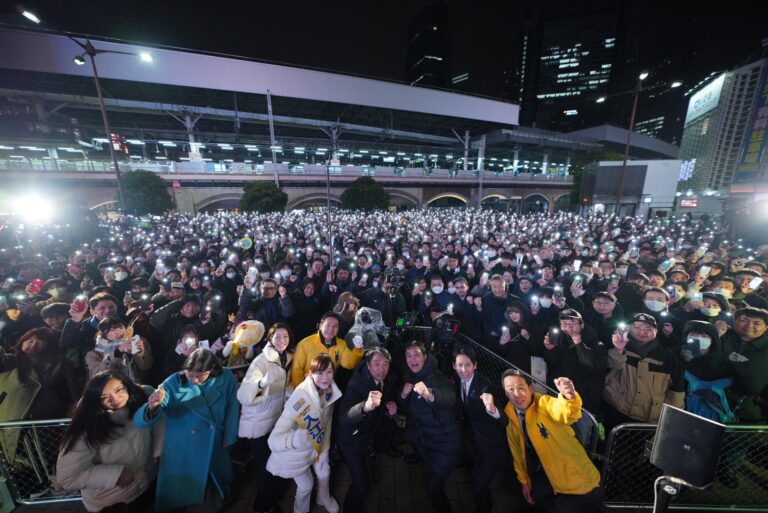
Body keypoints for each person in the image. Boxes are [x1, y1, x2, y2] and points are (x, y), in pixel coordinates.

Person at [134, 349, 240, 512]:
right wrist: (153, 405)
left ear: (211, 370)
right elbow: (142, 420)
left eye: (200, 375)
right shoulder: (173, 383)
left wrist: (229, 437)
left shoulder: (225, 377)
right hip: (185, 447)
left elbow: (232, 406)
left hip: (216, 441)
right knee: (189, 493)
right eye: (190, 375)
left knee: (216, 485)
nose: (194, 380)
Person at [56, 370, 158, 513]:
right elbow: (67, 476)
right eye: (104, 397)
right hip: (113, 502)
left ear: (126, 385)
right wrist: (114, 475)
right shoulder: (87, 426)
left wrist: (159, 450)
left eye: (118, 390)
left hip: (148, 484)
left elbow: (161, 419)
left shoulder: (142, 398)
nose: (115, 399)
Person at [502, 370, 601, 513]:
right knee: (538, 498)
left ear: (531, 388)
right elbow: (516, 450)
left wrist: (569, 398)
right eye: (510, 389)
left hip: (579, 484)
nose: (516, 394)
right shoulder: (510, 416)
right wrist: (524, 481)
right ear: (506, 393)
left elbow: (564, 412)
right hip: (546, 478)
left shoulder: (543, 403)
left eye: (521, 388)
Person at [266, 353, 342, 513]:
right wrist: (294, 440)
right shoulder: (300, 397)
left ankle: (323, 497)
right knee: (307, 484)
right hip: (293, 454)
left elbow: (326, 424)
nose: (325, 377)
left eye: (329, 372)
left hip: (316, 447)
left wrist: (324, 450)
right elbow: (273, 440)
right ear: (310, 373)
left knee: (324, 471)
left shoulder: (330, 392)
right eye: (319, 373)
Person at [397, 340, 462, 512]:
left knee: (433, 490)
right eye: (408, 355)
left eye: (417, 354)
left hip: (446, 443)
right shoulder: (410, 376)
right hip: (426, 438)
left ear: (425, 357)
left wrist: (430, 394)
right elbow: (404, 405)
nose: (412, 359)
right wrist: (403, 395)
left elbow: (449, 397)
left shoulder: (435, 375)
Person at [237, 322, 294, 513]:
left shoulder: (287, 358)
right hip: (257, 424)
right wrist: (261, 383)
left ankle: (272, 498)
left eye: (285, 336)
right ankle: (262, 506)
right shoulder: (261, 361)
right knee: (267, 466)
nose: (281, 340)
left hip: (274, 421)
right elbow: (243, 395)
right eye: (277, 336)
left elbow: (285, 389)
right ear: (270, 338)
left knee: (274, 463)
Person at [337, 347, 399, 513]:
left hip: (367, 439)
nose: (382, 369)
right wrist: (364, 407)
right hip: (350, 441)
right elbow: (344, 417)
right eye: (377, 364)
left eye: (385, 364)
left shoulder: (386, 380)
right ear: (368, 366)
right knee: (361, 486)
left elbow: (383, 405)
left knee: (368, 477)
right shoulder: (356, 384)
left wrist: (390, 408)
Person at [602, 313, 685, 430]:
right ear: (628, 328)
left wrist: (673, 419)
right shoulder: (616, 346)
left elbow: (676, 390)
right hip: (618, 411)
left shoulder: (668, 357)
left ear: (656, 332)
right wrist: (619, 349)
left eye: (648, 328)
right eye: (637, 327)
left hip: (650, 421)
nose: (642, 331)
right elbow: (609, 368)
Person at [453, 346, 507, 513]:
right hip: (475, 441)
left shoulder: (486, 386)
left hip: (493, 445)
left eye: (468, 365)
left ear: (475, 365)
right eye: (460, 365)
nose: (463, 370)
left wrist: (493, 411)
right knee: (476, 476)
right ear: (454, 366)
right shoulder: (457, 380)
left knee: (477, 484)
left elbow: (504, 420)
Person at [0, 327, 79, 421]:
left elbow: (73, 389)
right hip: (10, 415)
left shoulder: (60, 362)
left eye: (40, 341)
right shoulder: (10, 360)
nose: (33, 345)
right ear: (22, 342)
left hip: (45, 417)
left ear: (48, 344)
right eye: (29, 341)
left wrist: (77, 408)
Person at [290, 312, 364, 390]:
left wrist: (358, 348)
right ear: (320, 326)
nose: (331, 329)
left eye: (335, 326)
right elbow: (296, 370)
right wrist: (300, 390)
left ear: (338, 329)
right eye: (327, 325)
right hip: (307, 386)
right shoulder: (304, 343)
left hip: (327, 386)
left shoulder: (341, 344)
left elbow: (349, 364)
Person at [85, 317, 152, 383]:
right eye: (112, 329)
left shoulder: (137, 342)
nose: (118, 332)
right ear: (103, 334)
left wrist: (140, 353)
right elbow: (95, 375)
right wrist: (117, 353)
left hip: (137, 385)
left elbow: (146, 366)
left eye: (120, 327)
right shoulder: (94, 354)